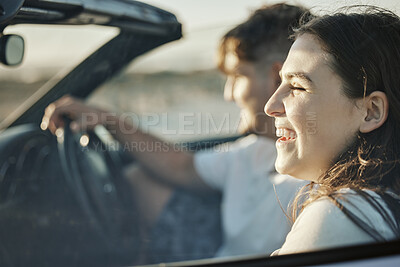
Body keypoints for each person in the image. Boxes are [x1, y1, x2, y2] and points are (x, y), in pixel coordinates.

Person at [41, 3, 309, 262]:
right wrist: (108, 120)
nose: (229, 95)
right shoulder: (255, 150)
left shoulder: (315, 186)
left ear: (277, 77)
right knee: (138, 179)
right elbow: (183, 166)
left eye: (238, 76)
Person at [264, 5, 400, 255]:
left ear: (371, 111)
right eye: (279, 82)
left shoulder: (342, 214)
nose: (270, 106)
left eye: (298, 87)